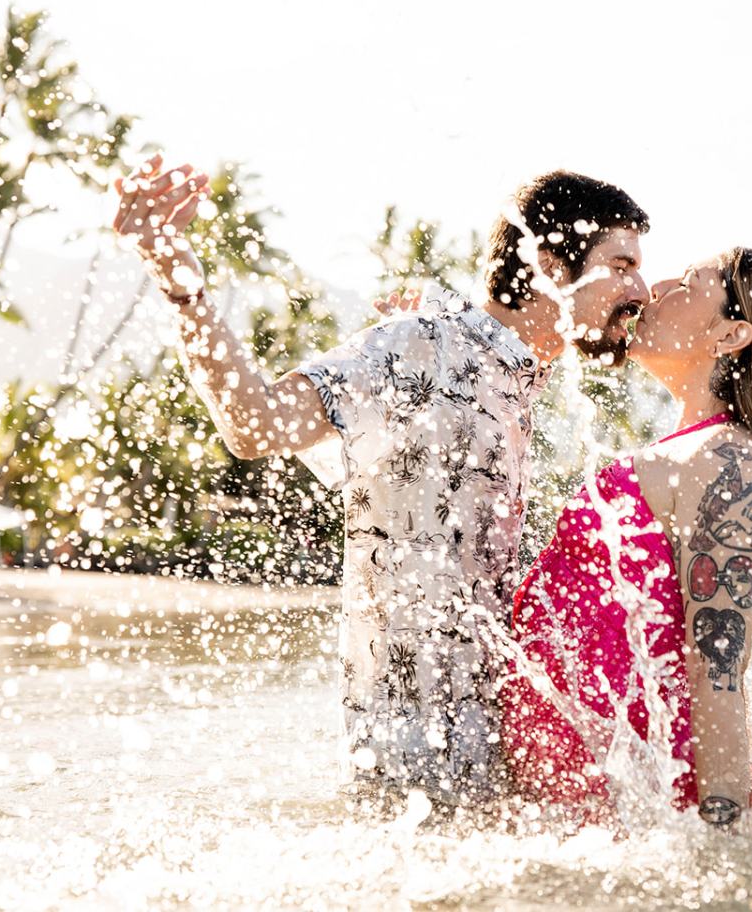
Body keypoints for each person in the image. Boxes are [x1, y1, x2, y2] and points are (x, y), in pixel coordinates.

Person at [112, 156, 651, 805]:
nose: (640, 289)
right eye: (621, 266)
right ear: (549, 265)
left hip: (493, 746)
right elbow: (252, 424)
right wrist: (184, 292)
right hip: (412, 754)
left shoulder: (518, 378)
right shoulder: (418, 346)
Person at [501, 248, 752, 826]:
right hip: (579, 805)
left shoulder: (726, 464)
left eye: (691, 282)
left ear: (730, 334)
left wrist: (724, 849)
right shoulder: (692, 452)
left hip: (635, 816)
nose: (658, 285)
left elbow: (715, 675)